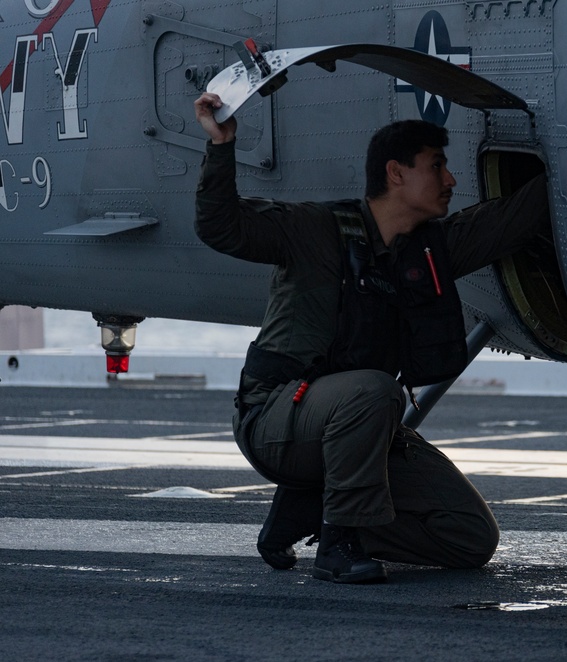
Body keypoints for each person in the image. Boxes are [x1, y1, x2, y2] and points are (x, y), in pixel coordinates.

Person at [193, 92, 549, 584]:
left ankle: (318, 509)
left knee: (469, 537)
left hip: (360, 425)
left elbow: (514, 219)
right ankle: (339, 545)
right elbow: (221, 227)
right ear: (396, 173)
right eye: (437, 166)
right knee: (374, 389)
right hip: (276, 416)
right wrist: (221, 146)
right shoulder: (314, 229)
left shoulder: (429, 252)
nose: (451, 180)